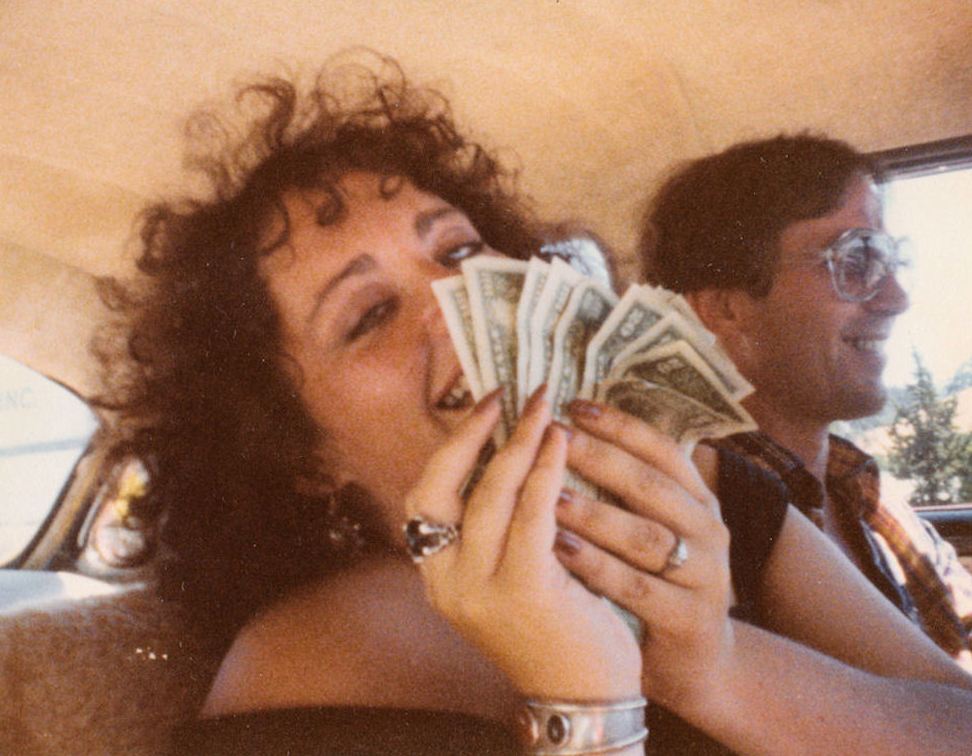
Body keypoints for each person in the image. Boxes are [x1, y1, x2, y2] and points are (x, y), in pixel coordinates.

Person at [97, 58, 972, 754]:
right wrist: (585, 708)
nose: (456, 300)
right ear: (303, 451)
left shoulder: (705, 490)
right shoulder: (310, 669)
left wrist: (714, 669)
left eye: (459, 251)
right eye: (368, 315)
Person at [639, 133, 972, 670]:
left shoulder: (858, 487)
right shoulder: (697, 519)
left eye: (890, 260)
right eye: (857, 259)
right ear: (725, 308)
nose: (897, 298)